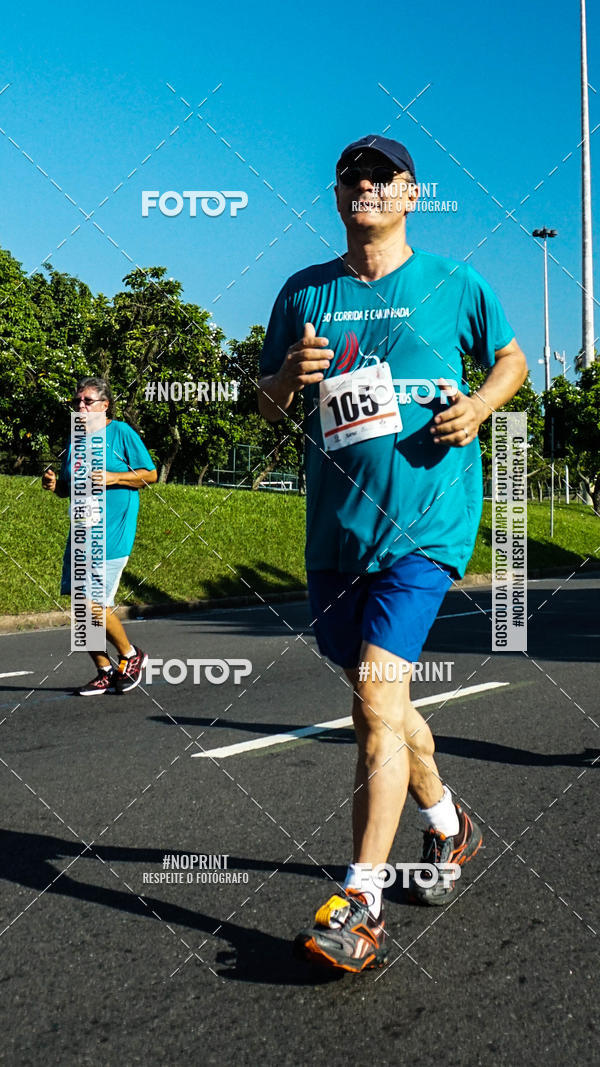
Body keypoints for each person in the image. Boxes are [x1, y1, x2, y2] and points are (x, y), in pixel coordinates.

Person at [258, 135, 528, 972]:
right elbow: (263, 405)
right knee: (382, 701)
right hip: (336, 532)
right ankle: (450, 826)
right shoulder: (305, 291)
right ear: (337, 195)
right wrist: (285, 381)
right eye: (351, 177)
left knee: (376, 701)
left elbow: (512, 360)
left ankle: (361, 901)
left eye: (383, 177)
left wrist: (480, 406)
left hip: (426, 524)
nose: (365, 186)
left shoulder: (457, 282)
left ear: (412, 195)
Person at [42, 376, 157, 696]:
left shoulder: (120, 433)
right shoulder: (74, 441)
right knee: (80, 609)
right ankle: (104, 670)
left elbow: (150, 475)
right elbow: (68, 488)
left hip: (111, 535)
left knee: (91, 603)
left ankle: (132, 656)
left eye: (87, 401)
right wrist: (55, 485)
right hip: (80, 534)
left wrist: (114, 476)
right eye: (76, 401)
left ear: (105, 405)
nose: (80, 406)